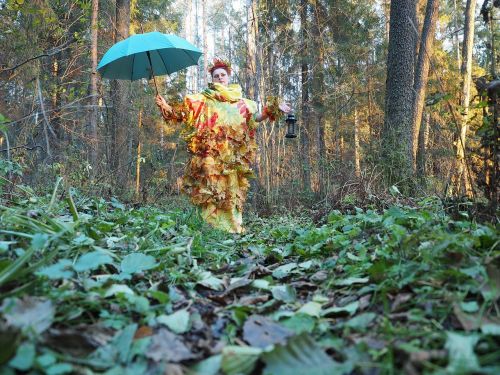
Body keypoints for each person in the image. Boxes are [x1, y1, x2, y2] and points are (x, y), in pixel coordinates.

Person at [156, 58, 290, 233]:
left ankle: (232, 228)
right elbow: (183, 113)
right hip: (210, 155)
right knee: (210, 189)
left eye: (223, 75)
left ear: (228, 77)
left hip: (233, 157)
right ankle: (208, 228)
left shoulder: (242, 103)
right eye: (216, 75)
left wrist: (274, 108)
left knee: (231, 190)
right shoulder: (203, 100)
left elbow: (255, 118)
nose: (220, 78)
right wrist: (165, 106)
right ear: (212, 79)